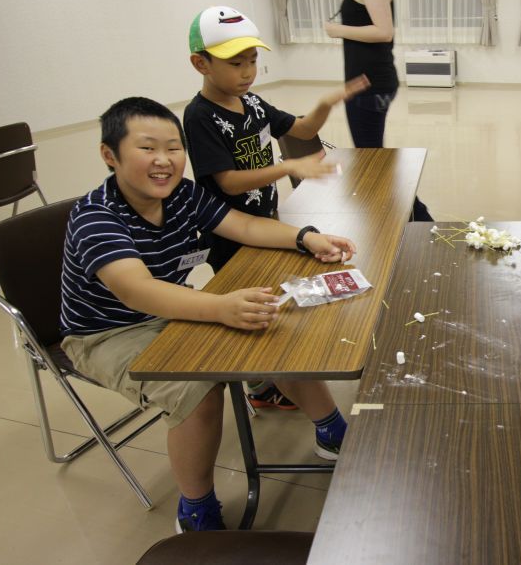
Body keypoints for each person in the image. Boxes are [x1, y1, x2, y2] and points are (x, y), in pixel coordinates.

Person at [60, 97, 357, 532]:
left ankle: (331, 430)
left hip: (171, 305)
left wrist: (306, 237)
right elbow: (138, 292)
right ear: (110, 155)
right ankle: (196, 508)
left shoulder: (182, 194)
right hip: (107, 333)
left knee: (272, 327)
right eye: (147, 149)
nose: (164, 161)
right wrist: (219, 307)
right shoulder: (96, 217)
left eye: (173, 148)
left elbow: (244, 226)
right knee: (198, 387)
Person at [184, 5, 367, 408]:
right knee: (250, 307)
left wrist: (324, 104)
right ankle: (259, 383)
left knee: (272, 295)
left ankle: (265, 385)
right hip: (229, 232)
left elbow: (301, 129)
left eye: (252, 60)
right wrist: (287, 165)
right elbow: (227, 181)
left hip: (265, 219)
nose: (247, 72)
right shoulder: (200, 116)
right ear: (201, 64)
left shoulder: (252, 102)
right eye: (235, 63)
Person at [324, 0, 433, 221]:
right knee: (374, 159)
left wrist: (338, 30)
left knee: (373, 162)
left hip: (370, 85)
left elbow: (384, 31)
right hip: (366, 84)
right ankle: (412, 222)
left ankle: (420, 222)